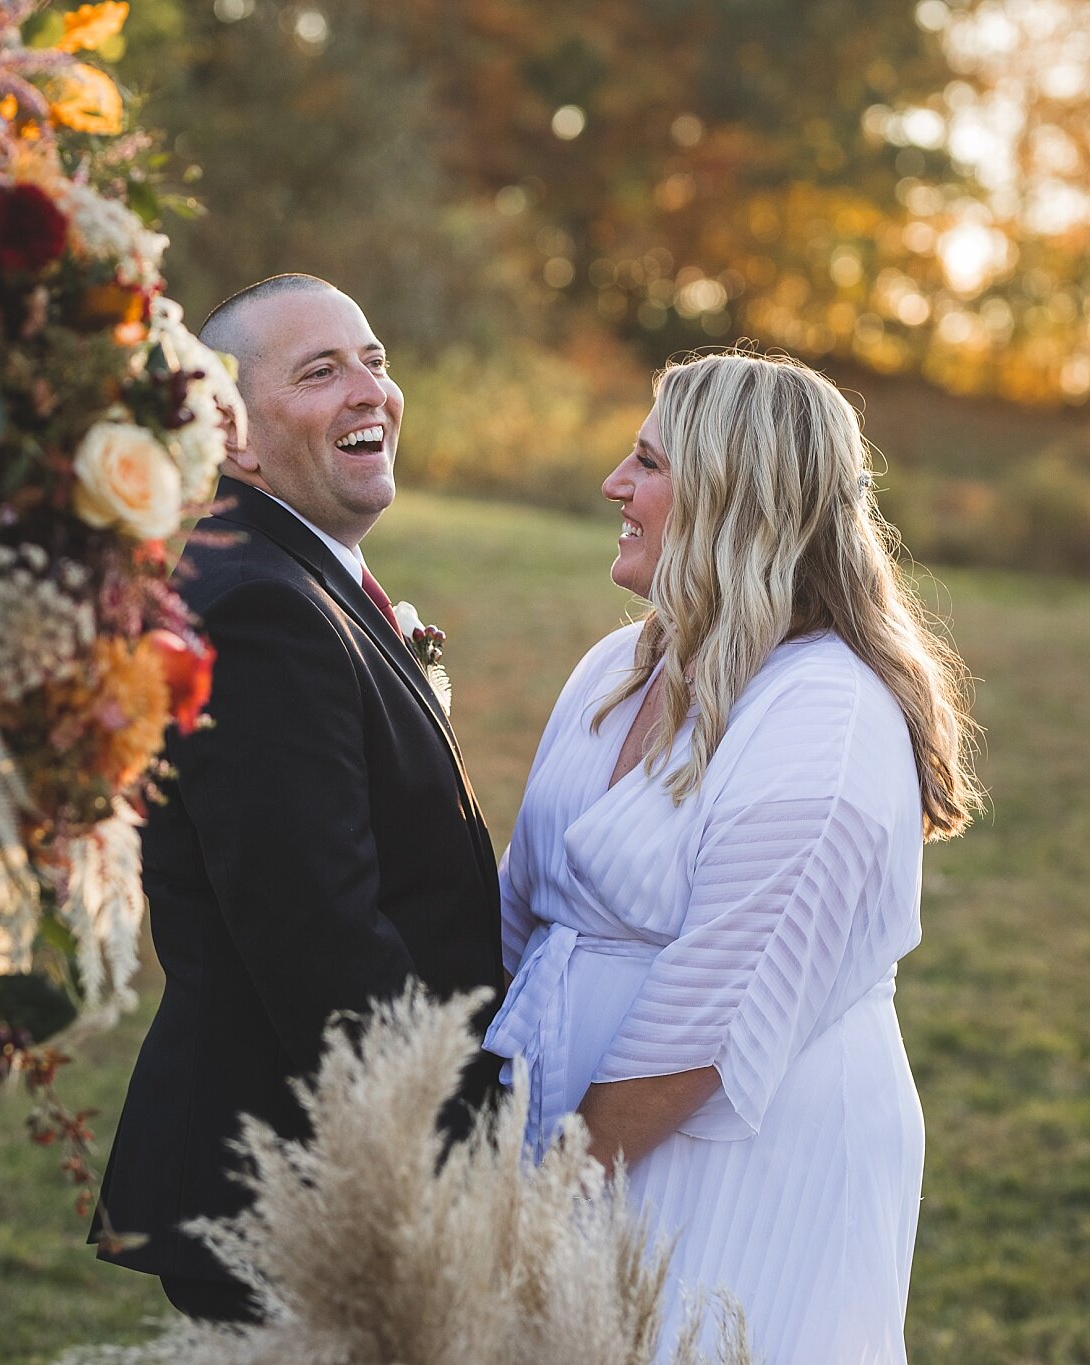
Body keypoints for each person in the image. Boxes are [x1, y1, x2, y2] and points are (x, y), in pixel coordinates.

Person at [483, 350, 983, 1363]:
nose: (613, 487)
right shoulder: (616, 667)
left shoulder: (825, 715)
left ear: (730, 497)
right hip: (561, 1136)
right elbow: (521, 905)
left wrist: (550, 1196)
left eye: (646, 464)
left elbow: (709, 1023)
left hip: (719, 1154)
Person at [91, 274, 505, 1323]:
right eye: (320, 372)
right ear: (232, 435)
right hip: (304, 1186)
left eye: (372, 359)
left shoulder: (293, 581)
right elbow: (318, 940)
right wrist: (453, 1154)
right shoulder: (258, 611)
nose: (370, 390)